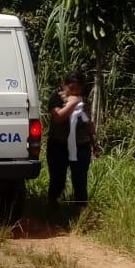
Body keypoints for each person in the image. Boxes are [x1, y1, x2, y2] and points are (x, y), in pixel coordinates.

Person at [46, 71, 95, 210]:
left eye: (78, 89)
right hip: (59, 145)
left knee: (80, 179)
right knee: (57, 179)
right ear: (64, 85)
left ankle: (81, 209)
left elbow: (90, 125)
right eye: (71, 88)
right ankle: (52, 206)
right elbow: (58, 117)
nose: (74, 92)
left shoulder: (84, 101)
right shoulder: (56, 98)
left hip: (81, 146)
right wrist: (72, 104)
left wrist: (90, 128)